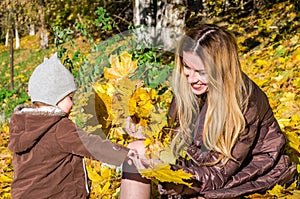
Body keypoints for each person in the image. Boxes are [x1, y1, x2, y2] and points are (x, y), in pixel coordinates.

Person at [120, 24, 297, 199]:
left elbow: (220, 172)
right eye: (186, 67)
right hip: (200, 164)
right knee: (135, 152)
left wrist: (182, 185)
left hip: (245, 173)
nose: (191, 77)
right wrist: (146, 132)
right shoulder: (189, 85)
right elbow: (172, 137)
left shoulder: (244, 102)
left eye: (200, 71)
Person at [8, 53, 136, 199]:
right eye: (70, 98)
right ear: (54, 98)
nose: (73, 103)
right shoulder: (59, 127)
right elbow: (91, 145)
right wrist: (124, 155)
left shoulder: (21, 124)